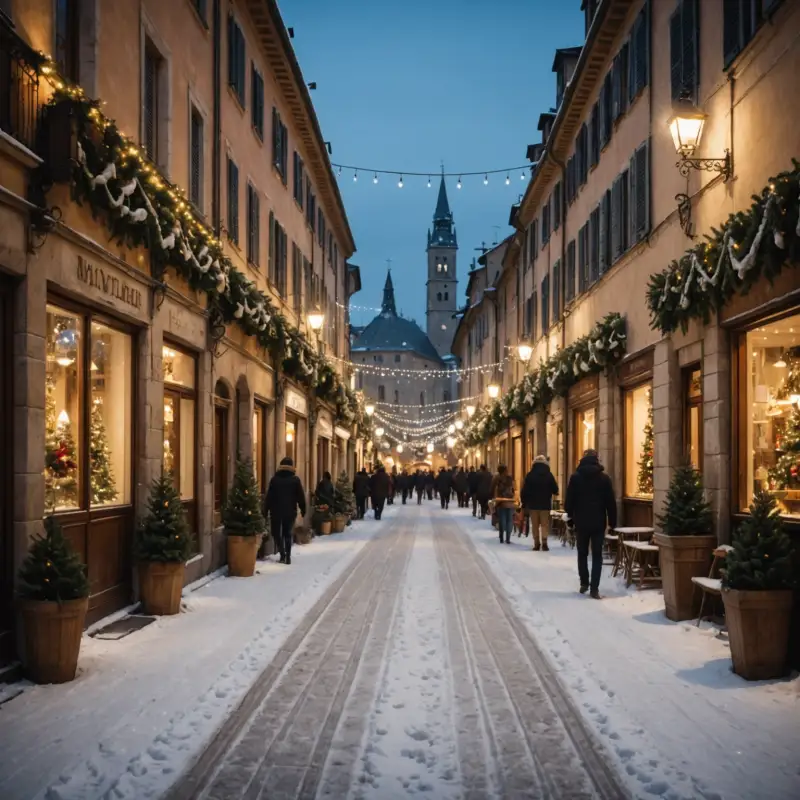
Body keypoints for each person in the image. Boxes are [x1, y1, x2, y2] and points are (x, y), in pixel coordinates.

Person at [565, 449, 617, 599]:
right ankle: (594, 588)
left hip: (581, 521)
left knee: (582, 553)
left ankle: (584, 582)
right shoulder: (604, 479)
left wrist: (570, 516)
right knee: (597, 555)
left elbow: (569, 501)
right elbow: (611, 503)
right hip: (598, 522)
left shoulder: (575, 478)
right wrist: (612, 522)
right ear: (596, 460)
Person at [263, 457, 306, 565]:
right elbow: (301, 496)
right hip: (290, 511)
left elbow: (269, 497)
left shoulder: (274, 479)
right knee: (287, 533)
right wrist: (303, 508)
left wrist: (265, 510)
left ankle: (282, 554)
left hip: (276, 511)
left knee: (276, 533)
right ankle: (288, 556)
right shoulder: (295, 480)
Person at [521, 455, 559, 551]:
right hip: (545, 504)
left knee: (535, 524)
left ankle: (536, 543)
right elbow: (555, 489)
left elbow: (524, 490)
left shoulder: (530, 475)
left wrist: (524, 502)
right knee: (544, 524)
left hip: (533, 504)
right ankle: (545, 542)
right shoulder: (549, 475)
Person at [492, 465, 516, 544]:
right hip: (510, 501)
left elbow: (492, 488)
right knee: (509, 520)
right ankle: (508, 538)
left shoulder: (497, 478)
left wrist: (493, 499)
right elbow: (513, 489)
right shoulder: (510, 478)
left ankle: (501, 537)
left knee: (502, 519)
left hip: (500, 501)